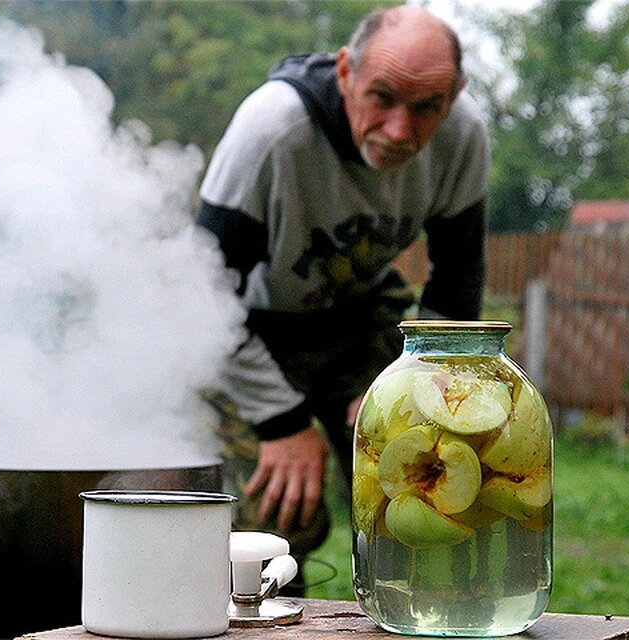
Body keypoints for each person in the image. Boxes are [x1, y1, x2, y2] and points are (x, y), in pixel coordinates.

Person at [196, 5, 490, 586]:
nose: (401, 130)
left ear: (454, 94)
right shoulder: (274, 130)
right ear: (345, 73)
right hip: (252, 329)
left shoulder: (463, 136)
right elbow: (199, 295)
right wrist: (282, 425)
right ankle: (270, 617)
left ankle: (404, 609)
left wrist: (412, 385)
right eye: (381, 97)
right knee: (274, 519)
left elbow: (457, 284)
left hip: (363, 319)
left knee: (416, 483)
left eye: (427, 106)